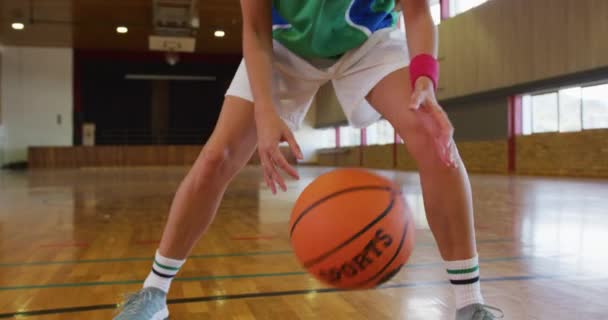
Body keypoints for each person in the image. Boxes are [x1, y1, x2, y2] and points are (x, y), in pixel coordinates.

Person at [114, 1, 503, 319]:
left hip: (369, 41)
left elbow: (417, 12)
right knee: (219, 156)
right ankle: (154, 291)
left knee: (435, 140)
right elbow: (254, 28)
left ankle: (470, 302)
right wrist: (266, 112)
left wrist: (424, 81)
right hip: (282, 47)